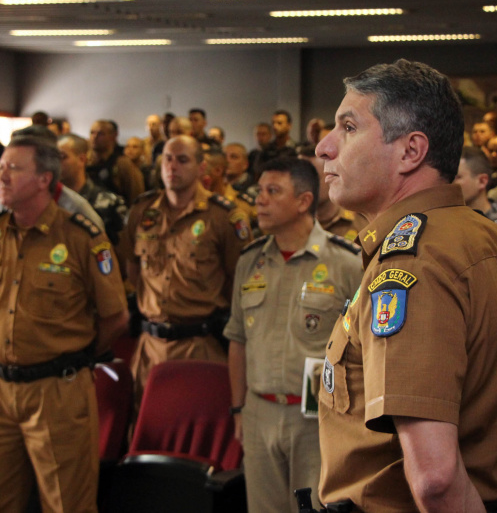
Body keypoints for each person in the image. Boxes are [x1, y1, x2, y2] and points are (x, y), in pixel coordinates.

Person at [314, 59, 497, 512]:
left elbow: (434, 479)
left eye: (348, 128)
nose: (324, 147)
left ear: (411, 152)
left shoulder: (413, 266)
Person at [0, 134, 128, 512]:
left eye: (14, 168)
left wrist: (73, 357)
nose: (2, 176)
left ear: (44, 179)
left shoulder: (81, 237)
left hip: (56, 390)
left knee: (66, 502)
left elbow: (116, 317)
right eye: (1, 167)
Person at [224, 157, 361, 513]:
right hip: (259, 412)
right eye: (259, 191)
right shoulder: (249, 260)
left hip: (317, 418)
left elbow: (367, 349)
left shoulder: (345, 261)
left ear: (303, 201)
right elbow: (237, 339)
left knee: (315, 508)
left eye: (273, 191)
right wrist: (239, 409)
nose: (260, 200)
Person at [122, 135, 251, 403]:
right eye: (167, 159)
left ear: (201, 168)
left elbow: (238, 280)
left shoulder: (224, 216)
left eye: (182, 160)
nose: (172, 167)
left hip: (200, 344)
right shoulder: (142, 211)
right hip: (150, 345)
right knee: (146, 428)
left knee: (196, 430)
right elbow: (133, 272)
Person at [57, 134, 127, 245]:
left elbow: (120, 249)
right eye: (53, 158)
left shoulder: (109, 202)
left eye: (62, 157)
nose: (56, 163)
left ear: (81, 159)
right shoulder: (50, 201)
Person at [296, 141, 365, 242]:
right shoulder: (287, 223)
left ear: (332, 177)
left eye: (312, 178)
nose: (304, 186)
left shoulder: (362, 224)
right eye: (299, 179)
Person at [87, 119, 145, 205]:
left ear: (112, 137)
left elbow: (136, 198)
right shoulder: (85, 163)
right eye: (92, 133)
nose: (95, 137)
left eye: (101, 134)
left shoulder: (122, 164)